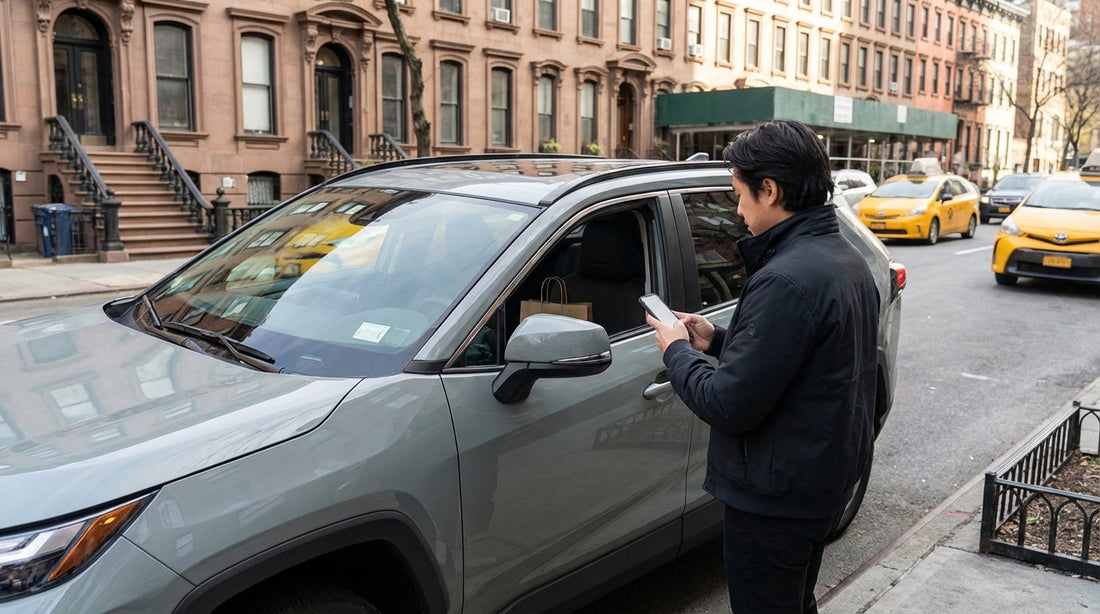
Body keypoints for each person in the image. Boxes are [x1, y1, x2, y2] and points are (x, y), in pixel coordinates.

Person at [645, 119, 880, 613]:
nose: (737, 210)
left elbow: (728, 403)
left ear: (769, 190)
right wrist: (715, 340)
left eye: (739, 195)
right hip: (818, 480)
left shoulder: (786, 279)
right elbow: (803, 360)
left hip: (776, 497)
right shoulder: (843, 258)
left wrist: (675, 350)